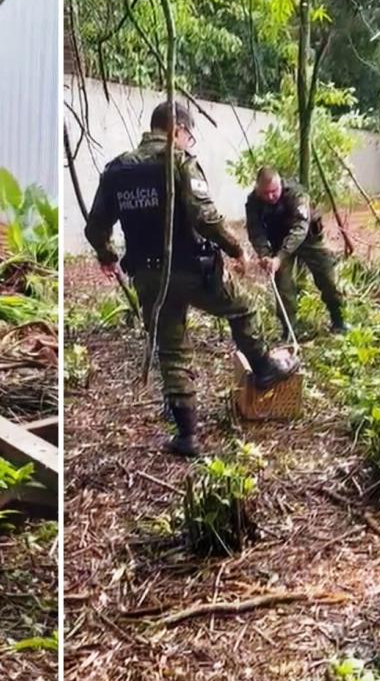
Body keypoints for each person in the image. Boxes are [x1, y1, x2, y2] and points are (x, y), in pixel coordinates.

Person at [84, 100, 298, 456]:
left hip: (149, 276)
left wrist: (107, 256)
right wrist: (235, 249)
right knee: (242, 309)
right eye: (188, 136)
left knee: (171, 348)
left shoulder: (116, 171)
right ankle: (262, 368)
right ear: (178, 130)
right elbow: (205, 218)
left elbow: (95, 228)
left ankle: (187, 435)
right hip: (195, 269)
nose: (187, 142)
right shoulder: (179, 163)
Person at [245, 167, 348, 337]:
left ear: (280, 184)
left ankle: (339, 321)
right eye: (265, 193)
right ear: (258, 189)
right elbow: (255, 231)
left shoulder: (296, 194)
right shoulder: (253, 201)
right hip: (278, 241)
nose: (270, 197)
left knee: (327, 279)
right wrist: (265, 255)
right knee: (283, 285)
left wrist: (280, 257)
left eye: (274, 191)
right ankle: (290, 330)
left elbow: (300, 228)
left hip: (308, 238)